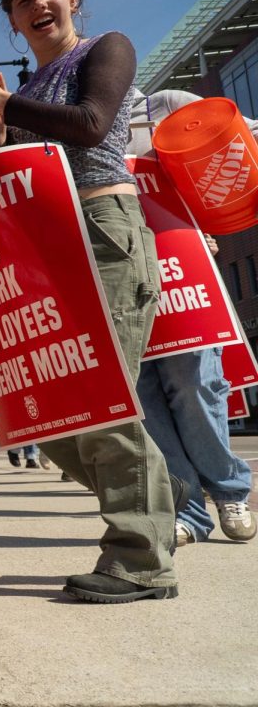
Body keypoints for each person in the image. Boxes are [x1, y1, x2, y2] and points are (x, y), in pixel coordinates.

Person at [0, 0, 179, 603]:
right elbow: (18, 171)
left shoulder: (106, 49)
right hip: (52, 250)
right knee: (49, 414)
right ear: (12, 20)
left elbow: (93, 124)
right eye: (24, 0)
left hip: (105, 233)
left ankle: (140, 556)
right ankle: (158, 498)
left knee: (100, 400)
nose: (39, 5)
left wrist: (8, 101)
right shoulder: (27, 93)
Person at [130, 89, 255, 546]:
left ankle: (229, 489)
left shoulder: (162, 106)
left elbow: (240, 138)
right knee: (146, 396)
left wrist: (209, 216)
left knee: (194, 381)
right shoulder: (73, 124)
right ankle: (188, 510)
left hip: (181, 272)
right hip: (121, 273)